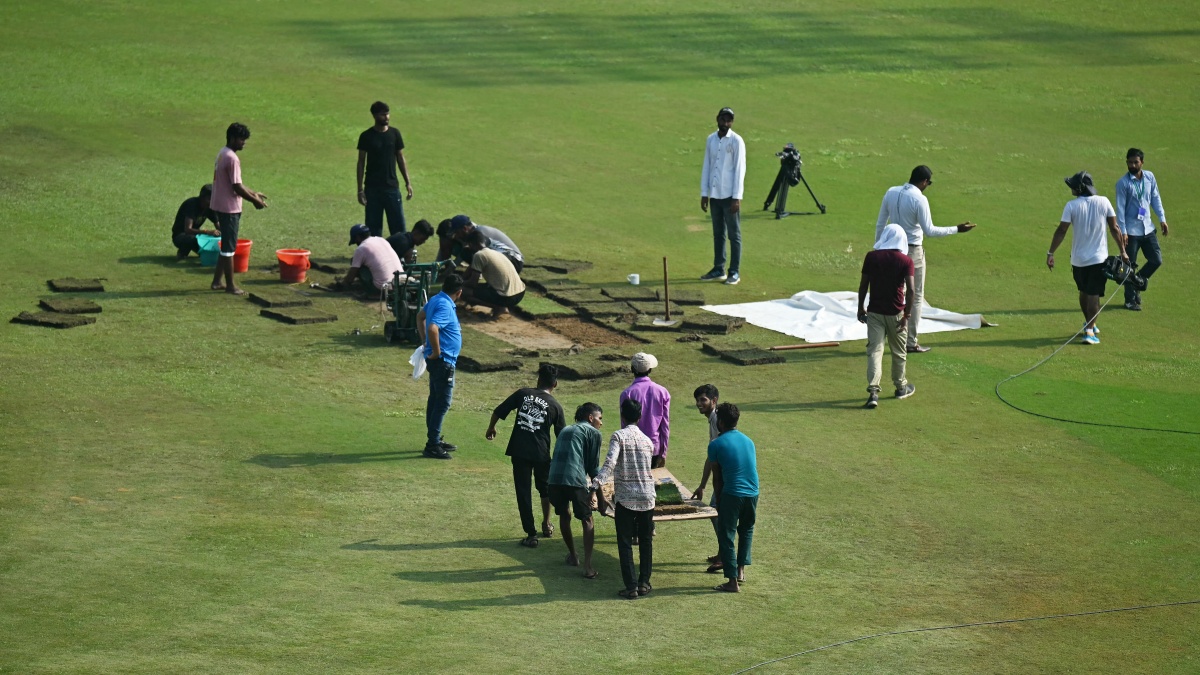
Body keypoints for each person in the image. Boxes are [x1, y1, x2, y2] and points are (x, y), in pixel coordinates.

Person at [874, 165, 976, 353]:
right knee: (915, 295)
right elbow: (929, 230)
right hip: (912, 252)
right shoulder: (919, 199)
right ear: (924, 181)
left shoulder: (891, 192)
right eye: (928, 183)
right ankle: (910, 342)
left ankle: (882, 336)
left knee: (892, 293)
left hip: (890, 250)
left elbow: (881, 223)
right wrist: (956, 229)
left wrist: (878, 249)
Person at [486, 364, 566, 547]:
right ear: (556, 384)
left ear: (538, 380)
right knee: (544, 488)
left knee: (523, 492)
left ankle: (531, 534)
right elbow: (562, 437)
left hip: (519, 450)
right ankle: (547, 524)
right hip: (541, 453)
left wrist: (491, 427)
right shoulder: (556, 406)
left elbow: (499, 410)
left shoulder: (523, 393)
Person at [1047, 172, 1129, 345]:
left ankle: (1089, 325)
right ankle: (1090, 330)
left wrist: (1051, 253)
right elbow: (1114, 228)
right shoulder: (1104, 201)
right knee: (1092, 294)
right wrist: (1123, 251)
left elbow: (1061, 231)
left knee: (1085, 292)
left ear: (1079, 188)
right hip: (1098, 259)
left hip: (1078, 260)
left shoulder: (1071, 206)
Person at [591, 399, 655, 600]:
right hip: (647, 496)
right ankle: (644, 582)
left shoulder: (618, 436)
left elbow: (610, 463)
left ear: (623, 416)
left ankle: (631, 586)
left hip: (626, 497)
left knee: (625, 542)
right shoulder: (648, 441)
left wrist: (595, 484)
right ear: (639, 417)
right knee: (645, 541)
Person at [857, 224, 917, 408]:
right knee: (899, 352)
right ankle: (901, 388)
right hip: (896, 314)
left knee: (875, 351)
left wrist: (860, 308)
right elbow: (912, 291)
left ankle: (873, 392)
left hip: (875, 313)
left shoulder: (872, 257)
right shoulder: (906, 261)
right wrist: (907, 315)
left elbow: (863, 285)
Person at [547, 402, 604, 579]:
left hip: (554, 481)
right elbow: (593, 468)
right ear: (590, 418)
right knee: (587, 520)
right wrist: (601, 499)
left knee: (565, 515)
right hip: (575, 481)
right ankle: (587, 566)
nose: (601, 423)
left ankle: (573, 556)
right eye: (599, 418)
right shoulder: (593, 432)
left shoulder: (565, 430)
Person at [210, 123, 267, 296]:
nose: (244, 143)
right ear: (233, 138)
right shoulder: (232, 158)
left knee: (226, 245)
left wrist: (253, 193)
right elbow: (236, 187)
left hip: (220, 204)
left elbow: (237, 184)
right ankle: (230, 285)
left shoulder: (223, 153)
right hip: (229, 208)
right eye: (242, 139)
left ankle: (216, 281)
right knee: (229, 248)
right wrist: (254, 201)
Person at [708, 403, 758, 593]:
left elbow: (717, 478)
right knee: (746, 529)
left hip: (732, 493)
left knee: (726, 534)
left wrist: (719, 501)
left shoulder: (716, 444)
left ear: (720, 422)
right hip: (753, 492)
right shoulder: (749, 441)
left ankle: (732, 582)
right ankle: (741, 570)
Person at [1114, 148, 1169, 311]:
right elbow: (1120, 209)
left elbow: (1155, 198)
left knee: (1156, 260)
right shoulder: (1123, 183)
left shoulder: (1150, 177)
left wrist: (1162, 219)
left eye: (1135, 162)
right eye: (1129, 162)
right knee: (1129, 265)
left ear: (1142, 163)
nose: (1132, 165)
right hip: (1131, 231)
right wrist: (1123, 231)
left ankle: (1137, 281)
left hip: (1148, 228)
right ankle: (1130, 300)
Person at [416, 273, 464, 459]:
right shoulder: (444, 305)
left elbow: (420, 317)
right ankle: (432, 444)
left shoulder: (437, 299)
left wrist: (424, 343)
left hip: (439, 361)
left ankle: (434, 438)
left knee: (435, 399)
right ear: (459, 293)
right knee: (442, 402)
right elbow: (432, 327)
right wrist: (435, 351)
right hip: (443, 361)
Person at [699, 107, 746, 285]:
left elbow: (740, 170)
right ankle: (719, 268)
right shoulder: (711, 139)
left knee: (734, 235)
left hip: (729, 195)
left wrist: (737, 197)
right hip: (715, 195)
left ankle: (734, 272)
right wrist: (705, 193)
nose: (726, 123)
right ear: (717, 119)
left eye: (729, 120)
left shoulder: (736, 141)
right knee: (718, 233)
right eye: (723, 119)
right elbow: (707, 166)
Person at [356, 101, 412, 237]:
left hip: (392, 187)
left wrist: (408, 182)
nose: (386, 117)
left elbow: (400, 158)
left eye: (387, 114)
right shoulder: (366, 136)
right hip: (372, 188)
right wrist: (360, 190)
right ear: (374, 116)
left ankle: (400, 256)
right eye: (382, 115)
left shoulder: (395, 134)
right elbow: (361, 162)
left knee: (398, 227)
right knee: (373, 228)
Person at [688, 384, 725, 574]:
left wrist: (707, 484)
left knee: (716, 513)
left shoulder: (717, 419)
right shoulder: (713, 419)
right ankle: (723, 552)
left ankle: (725, 555)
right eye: (697, 400)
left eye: (703, 399)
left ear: (714, 400)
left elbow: (716, 455)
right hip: (722, 475)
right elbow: (711, 455)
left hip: (726, 476)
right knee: (716, 514)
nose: (698, 403)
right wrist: (702, 485)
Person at [619, 352, 671, 469]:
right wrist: (663, 453)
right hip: (654, 448)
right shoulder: (663, 392)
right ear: (650, 369)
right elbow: (665, 425)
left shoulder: (627, 393)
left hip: (633, 448)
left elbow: (624, 425)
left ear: (632, 369)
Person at [461, 229, 526, 317]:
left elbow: (473, 283)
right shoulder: (496, 252)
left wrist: (460, 284)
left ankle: (499, 307)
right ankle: (500, 306)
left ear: (471, 245)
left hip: (507, 297)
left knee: (463, 291)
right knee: (481, 288)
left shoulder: (479, 255)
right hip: (520, 293)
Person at [442, 214, 524, 273]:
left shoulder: (480, 232)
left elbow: (483, 254)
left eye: (457, 232)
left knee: (477, 255)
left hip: (515, 260)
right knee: (469, 254)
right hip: (508, 258)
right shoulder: (473, 233)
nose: (457, 236)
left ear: (464, 228)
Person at [340, 223, 405, 294]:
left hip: (383, 289)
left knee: (357, 264)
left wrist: (342, 284)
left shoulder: (361, 249)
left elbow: (351, 275)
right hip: (401, 284)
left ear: (358, 237)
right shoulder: (381, 240)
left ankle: (370, 290)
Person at [171, 184, 219, 259]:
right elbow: (188, 230)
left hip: (196, 236)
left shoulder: (210, 207)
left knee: (209, 254)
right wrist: (207, 232)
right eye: (209, 199)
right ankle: (182, 253)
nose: (212, 202)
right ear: (202, 197)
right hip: (180, 235)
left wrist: (226, 235)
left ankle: (202, 252)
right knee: (192, 239)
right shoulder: (191, 204)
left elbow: (218, 226)